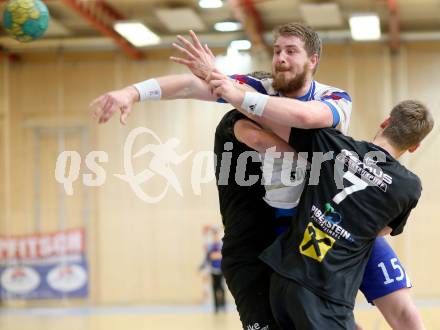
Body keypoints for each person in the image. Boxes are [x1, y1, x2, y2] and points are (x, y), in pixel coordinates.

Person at [90, 23, 422, 329]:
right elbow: (191, 85)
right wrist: (131, 93)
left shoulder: (332, 97)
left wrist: (234, 93)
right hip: (281, 226)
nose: (280, 58)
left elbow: (307, 118)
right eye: (277, 50)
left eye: (291, 51)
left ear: (312, 60)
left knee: (403, 310)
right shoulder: (259, 88)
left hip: (336, 222)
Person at [255, 99, 434, 329]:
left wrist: (231, 92)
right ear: (415, 146)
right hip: (326, 288)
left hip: (285, 275)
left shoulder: (333, 143)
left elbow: (268, 123)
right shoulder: (408, 186)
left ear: (385, 122)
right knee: (405, 315)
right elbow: (383, 231)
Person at [199, 227, 226, 313]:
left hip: (221, 270)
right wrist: (201, 267)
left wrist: (217, 255)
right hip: (213, 270)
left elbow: (222, 255)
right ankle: (216, 308)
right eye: (213, 234)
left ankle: (223, 305)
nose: (215, 236)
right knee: (214, 288)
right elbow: (208, 258)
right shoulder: (210, 246)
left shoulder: (221, 245)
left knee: (221, 288)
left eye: (216, 234)